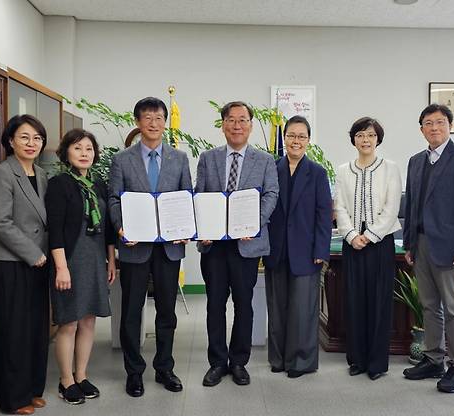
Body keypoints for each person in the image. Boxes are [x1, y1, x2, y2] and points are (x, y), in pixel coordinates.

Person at [108, 97, 192, 397]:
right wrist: (120, 227)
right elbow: (114, 199)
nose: (153, 123)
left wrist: (186, 229)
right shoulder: (122, 160)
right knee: (132, 310)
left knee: (167, 311)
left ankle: (164, 367)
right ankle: (134, 371)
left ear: (165, 122)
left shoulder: (179, 159)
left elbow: (186, 197)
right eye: (147, 117)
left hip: (169, 247)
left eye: (158, 117)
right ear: (138, 122)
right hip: (135, 246)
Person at [195, 101, 278, 387]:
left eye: (243, 120)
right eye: (231, 120)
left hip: (247, 244)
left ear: (251, 126)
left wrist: (252, 224)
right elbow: (200, 196)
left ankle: (239, 361)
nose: (237, 125)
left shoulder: (265, 160)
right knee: (215, 305)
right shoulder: (208, 158)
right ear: (223, 125)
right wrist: (202, 228)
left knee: (245, 304)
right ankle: (217, 362)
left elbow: (271, 195)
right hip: (215, 246)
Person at [402, 104, 454, 393]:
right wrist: (409, 242)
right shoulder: (415, 161)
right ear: (421, 129)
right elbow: (411, 206)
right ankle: (434, 359)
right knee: (429, 305)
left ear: (450, 126)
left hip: (449, 247)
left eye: (440, 122)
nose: (434, 128)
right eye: (428, 123)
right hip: (420, 244)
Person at [0, 114, 49, 415]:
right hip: (10, 262)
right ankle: (12, 399)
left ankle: (32, 390)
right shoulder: (2, 173)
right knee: (13, 330)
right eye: (24, 137)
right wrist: (33, 253)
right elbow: (0, 223)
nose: (31, 143)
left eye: (36, 138)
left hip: (39, 263)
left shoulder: (42, 174)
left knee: (35, 328)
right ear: (10, 141)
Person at [45, 129, 117, 404]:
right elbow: (56, 230)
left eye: (89, 148)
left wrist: (111, 260)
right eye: (78, 148)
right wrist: (61, 268)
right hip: (70, 260)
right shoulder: (59, 184)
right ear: (66, 153)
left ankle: (82, 375)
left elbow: (108, 229)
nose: (84, 153)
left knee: (88, 321)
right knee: (69, 322)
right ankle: (66, 381)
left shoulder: (98, 185)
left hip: (96, 260)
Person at [263, 116, 332, 378]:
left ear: (308, 141)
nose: (296, 141)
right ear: (284, 138)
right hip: (276, 250)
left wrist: (320, 252)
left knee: (303, 309)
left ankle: (300, 361)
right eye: (291, 135)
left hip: (306, 251)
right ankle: (278, 358)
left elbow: (324, 216)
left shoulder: (317, 173)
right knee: (277, 308)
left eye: (302, 136)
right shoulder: (271, 168)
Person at [334, 117, 403, 380]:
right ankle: (357, 359)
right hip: (352, 244)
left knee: (378, 302)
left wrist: (370, 235)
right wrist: (352, 235)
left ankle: (376, 363)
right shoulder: (343, 170)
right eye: (361, 135)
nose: (366, 140)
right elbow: (339, 206)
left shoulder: (390, 168)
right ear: (353, 138)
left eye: (371, 135)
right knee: (354, 301)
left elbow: (392, 207)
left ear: (378, 139)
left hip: (380, 243)